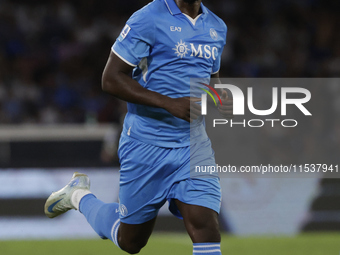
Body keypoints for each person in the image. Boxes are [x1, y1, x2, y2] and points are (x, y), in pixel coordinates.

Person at [44, 0, 232, 254]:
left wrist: (221, 97)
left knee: (206, 227)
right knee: (131, 241)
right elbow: (111, 79)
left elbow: (212, 80)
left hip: (193, 145)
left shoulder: (216, 27)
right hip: (146, 144)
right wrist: (168, 103)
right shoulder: (149, 17)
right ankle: (78, 196)